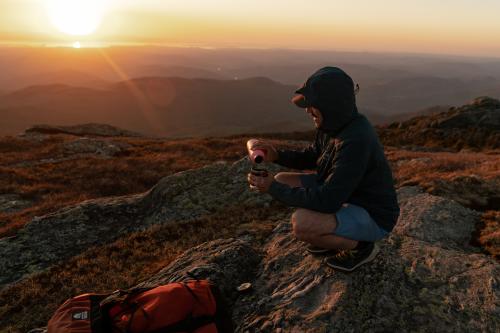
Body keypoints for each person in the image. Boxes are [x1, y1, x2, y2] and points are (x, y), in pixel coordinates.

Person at [247, 66, 400, 272]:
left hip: (373, 215)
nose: (308, 110)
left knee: (302, 224)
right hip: (349, 197)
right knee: (282, 179)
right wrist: (277, 155)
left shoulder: (355, 140)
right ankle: (333, 234)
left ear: (330, 105)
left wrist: (272, 188)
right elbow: (312, 155)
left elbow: (327, 201)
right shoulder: (333, 125)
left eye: (313, 105)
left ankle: (362, 247)